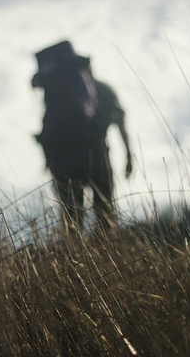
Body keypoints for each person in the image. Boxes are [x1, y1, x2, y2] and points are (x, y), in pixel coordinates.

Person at [32, 41, 132, 233]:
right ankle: (107, 255)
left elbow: (48, 126)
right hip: (95, 155)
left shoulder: (55, 90)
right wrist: (129, 156)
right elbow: (120, 122)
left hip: (61, 160)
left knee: (71, 217)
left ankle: (73, 257)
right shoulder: (103, 90)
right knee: (105, 211)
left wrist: (48, 160)